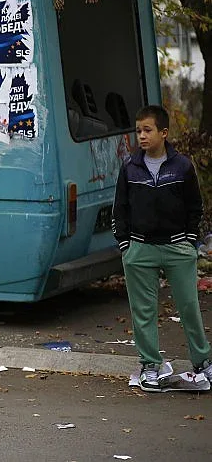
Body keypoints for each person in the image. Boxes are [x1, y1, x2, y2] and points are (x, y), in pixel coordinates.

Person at [112, 104, 212, 392]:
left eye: (147, 130)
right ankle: (150, 366)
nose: (141, 136)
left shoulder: (182, 167)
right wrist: (125, 245)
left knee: (189, 306)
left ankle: (202, 362)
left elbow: (196, 207)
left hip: (177, 247)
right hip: (140, 249)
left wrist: (191, 241)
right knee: (143, 311)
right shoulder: (130, 167)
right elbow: (120, 209)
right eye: (138, 130)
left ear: (163, 133)